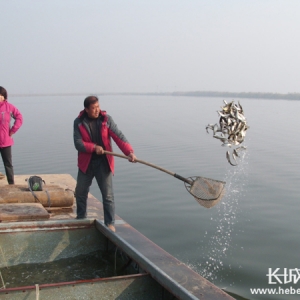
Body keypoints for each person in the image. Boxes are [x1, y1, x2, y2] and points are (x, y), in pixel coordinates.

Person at [73, 95, 136, 232]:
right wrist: (94, 148)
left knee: (108, 195)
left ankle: (110, 223)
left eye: (98, 107)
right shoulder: (78, 122)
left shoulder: (106, 120)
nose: (97, 110)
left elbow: (119, 136)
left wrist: (129, 152)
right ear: (86, 109)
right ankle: (81, 218)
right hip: (86, 163)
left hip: (103, 163)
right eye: (93, 108)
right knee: (80, 192)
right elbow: (78, 143)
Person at [0, 86, 23, 185]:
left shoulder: (9, 107)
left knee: (8, 164)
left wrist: (13, 130)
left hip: (5, 141)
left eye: (0, 95)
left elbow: (19, 118)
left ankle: (11, 185)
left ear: (4, 96)